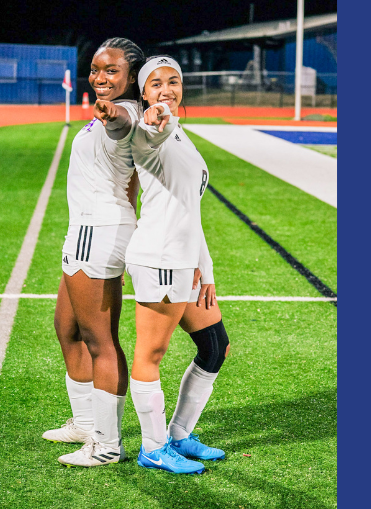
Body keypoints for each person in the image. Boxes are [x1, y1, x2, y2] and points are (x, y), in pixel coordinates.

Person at [125, 55, 232, 475]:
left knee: (215, 347)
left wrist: (205, 267)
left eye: (173, 81)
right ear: (143, 92)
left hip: (185, 259)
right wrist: (156, 119)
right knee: (151, 353)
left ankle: (180, 435)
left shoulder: (180, 133)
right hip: (160, 256)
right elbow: (153, 131)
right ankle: (152, 448)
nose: (166, 89)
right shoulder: (149, 130)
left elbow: (191, 209)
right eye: (156, 83)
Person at [41, 38, 145, 468]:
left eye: (111, 71)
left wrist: (112, 113)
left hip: (97, 231)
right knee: (67, 328)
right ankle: (85, 422)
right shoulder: (117, 112)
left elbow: (120, 122)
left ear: (132, 78)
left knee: (101, 341)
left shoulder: (127, 113)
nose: (100, 78)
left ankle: (106, 445)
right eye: (96, 69)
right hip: (93, 231)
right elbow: (133, 180)